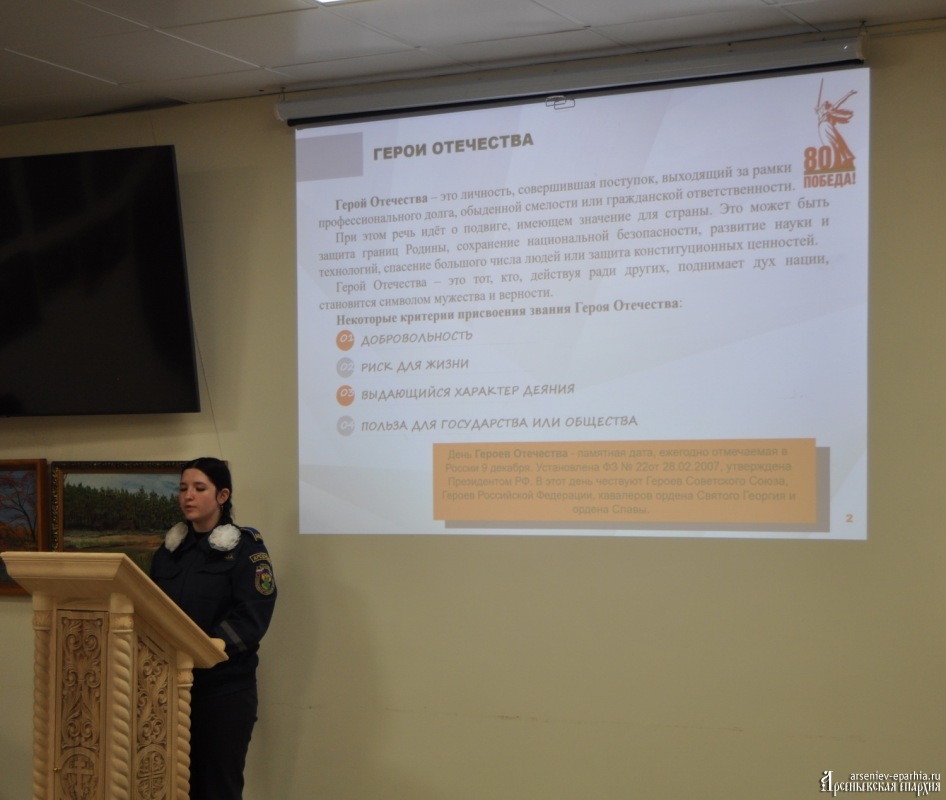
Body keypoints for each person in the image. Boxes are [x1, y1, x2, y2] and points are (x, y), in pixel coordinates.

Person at [150, 457, 277, 800]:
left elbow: (254, 613)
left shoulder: (245, 548)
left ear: (222, 496)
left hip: (222, 691)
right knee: (169, 785)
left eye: (199, 488)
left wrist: (205, 647)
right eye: (183, 488)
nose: (188, 496)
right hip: (168, 688)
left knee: (217, 789)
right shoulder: (169, 551)